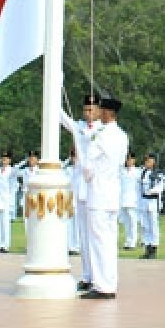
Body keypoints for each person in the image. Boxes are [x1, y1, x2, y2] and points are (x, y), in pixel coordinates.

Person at [80, 92, 128, 300]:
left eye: (99, 108)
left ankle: (102, 286)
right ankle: (109, 283)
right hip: (112, 193)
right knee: (108, 241)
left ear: (107, 112)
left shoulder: (101, 135)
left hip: (98, 193)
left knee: (98, 241)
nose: (96, 112)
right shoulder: (122, 135)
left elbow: (88, 167)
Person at [60, 92, 102, 291]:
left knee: (96, 236)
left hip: (97, 187)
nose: (88, 113)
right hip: (81, 189)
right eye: (85, 109)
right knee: (83, 236)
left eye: (91, 110)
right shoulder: (79, 127)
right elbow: (62, 118)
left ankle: (98, 276)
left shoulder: (104, 131)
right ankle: (87, 275)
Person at [138, 153, 163, 259]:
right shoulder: (143, 173)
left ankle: (153, 247)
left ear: (154, 162)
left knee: (153, 225)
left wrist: (152, 191)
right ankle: (147, 247)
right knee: (145, 225)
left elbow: (161, 187)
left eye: (150, 161)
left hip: (153, 201)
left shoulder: (158, 173)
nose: (148, 163)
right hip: (144, 200)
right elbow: (139, 188)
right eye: (147, 161)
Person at [119, 154, 141, 250]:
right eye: (127, 160)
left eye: (130, 159)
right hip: (123, 199)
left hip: (133, 199)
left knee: (133, 221)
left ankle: (133, 242)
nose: (129, 162)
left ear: (134, 160)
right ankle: (128, 241)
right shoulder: (121, 171)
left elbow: (140, 187)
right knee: (126, 222)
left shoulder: (138, 172)